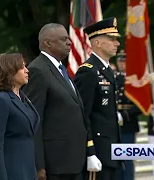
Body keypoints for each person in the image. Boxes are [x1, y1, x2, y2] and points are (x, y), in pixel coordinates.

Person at [22, 23, 101, 180]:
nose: (69, 42)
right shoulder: (39, 70)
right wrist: (38, 165)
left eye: (69, 39)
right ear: (48, 43)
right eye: (64, 39)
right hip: (55, 164)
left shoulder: (60, 69)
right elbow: (34, 120)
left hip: (72, 161)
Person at [73, 17, 122, 180]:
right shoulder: (88, 71)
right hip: (98, 150)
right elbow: (82, 115)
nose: (117, 43)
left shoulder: (107, 71)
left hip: (110, 150)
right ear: (98, 43)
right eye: (112, 39)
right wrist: (90, 152)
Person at [0, 53, 40, 180]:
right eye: (22, 67)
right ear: (9, 71)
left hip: (28, 170)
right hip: (10, 172)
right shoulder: (1, 101)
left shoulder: (24, 99)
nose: (27, 70)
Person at [115, 50, 141, 180]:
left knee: (127, 160)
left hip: (128, 124)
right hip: (113, 124)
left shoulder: (135, 81)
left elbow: (140, 105)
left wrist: (123, 115)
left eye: (124, 61)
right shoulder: (112, 78)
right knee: (115, 160)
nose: (122, 64)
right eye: (120, 61)